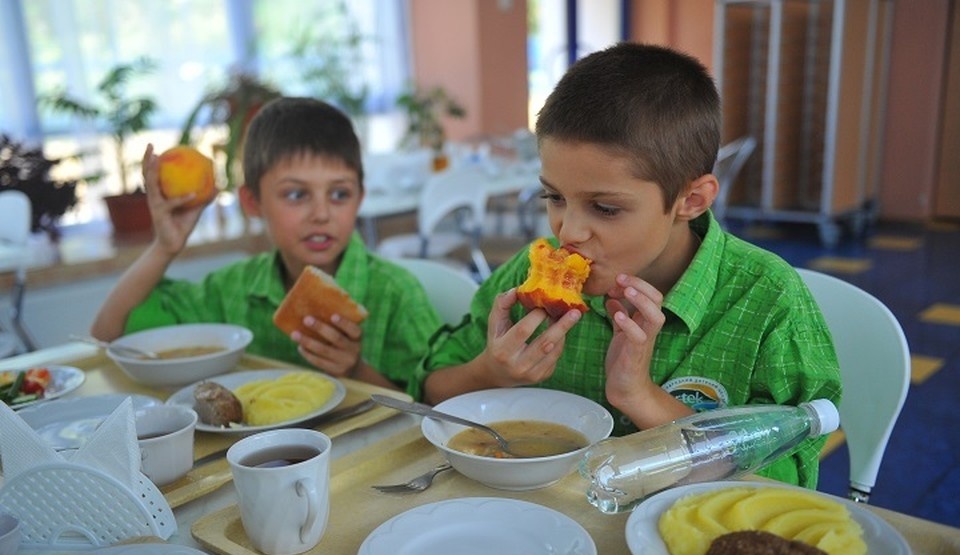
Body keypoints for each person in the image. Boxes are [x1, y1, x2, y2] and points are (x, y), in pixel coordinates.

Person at [410, 43, 841, 488]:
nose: (569, 232)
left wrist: (641, 396)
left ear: (690, 201)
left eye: (605, 208)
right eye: (554, 197)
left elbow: (786, 477)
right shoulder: (523, 274)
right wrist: (489, 372)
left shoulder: (768, 300)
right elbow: (428, 391)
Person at [91, 97, 443, 391]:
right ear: (252, 202)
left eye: (339, 194)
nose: (321, 214)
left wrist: (356, 371)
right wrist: (164, 247)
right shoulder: (232, 290)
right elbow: (108, 336)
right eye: (296, 194)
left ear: (360, 198)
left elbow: (437, 410)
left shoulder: (396, 294)